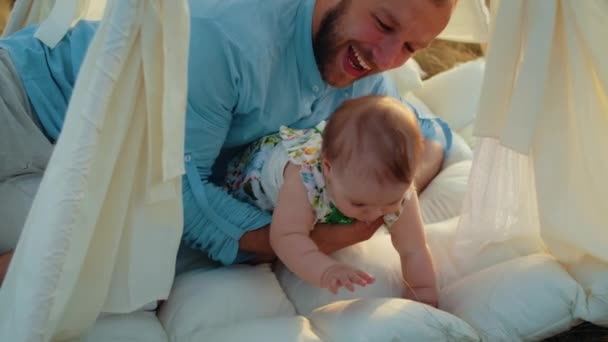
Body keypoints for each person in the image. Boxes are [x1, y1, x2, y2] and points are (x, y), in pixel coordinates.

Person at [0, 0, 455, 282]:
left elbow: (429, 137)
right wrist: (312, 240)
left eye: (411, 48)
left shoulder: (365, 83)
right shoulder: (231, 36)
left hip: (92, 178)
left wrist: (386, 193)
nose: (386, 57)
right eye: (383, 24)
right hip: (29, 100)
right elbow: (183, 196)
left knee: (95, 275)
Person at [225, 95, 438, 306]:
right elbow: (286, 236)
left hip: (335, 173)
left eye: (389, 203)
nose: (374, 215)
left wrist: (423, 290)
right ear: (328, 170)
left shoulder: (394, 187)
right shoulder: (304, 179)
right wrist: (325, 269)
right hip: (253, 178)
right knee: (257, 249)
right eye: (359, 204)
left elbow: (414, 248)